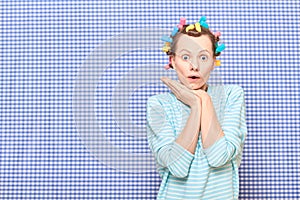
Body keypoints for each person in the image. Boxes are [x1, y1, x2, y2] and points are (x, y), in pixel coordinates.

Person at [146, 16, 247, 199]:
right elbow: (177, 167)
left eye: (203, 57)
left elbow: (219, 157)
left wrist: (202, 99)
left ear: (214, 61)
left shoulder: (232, 95)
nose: (194, 66)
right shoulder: (158, 104)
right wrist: (195, 106)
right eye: (185, 57)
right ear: (173, 61)